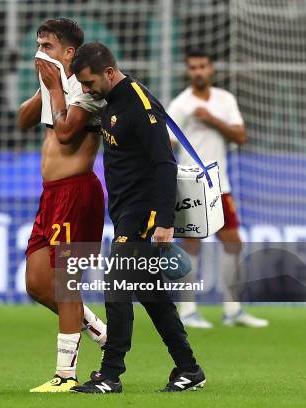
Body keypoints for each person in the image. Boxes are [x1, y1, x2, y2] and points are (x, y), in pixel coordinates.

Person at [69, 42, 205, 393]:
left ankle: (110, 374)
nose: (86, 90)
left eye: (89, 83)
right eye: (82, 85)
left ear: (109, 73)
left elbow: (164, 163)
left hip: (142, 214)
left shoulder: (141, 106)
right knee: (153, 296)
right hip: (126, 211)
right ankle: (189, 369)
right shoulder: (111, 100)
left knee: (117, 287)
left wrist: (163, 221)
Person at [18, 18, 107, 393]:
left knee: (66, 284)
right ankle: (99, 328)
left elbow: (68, 136)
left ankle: (65, 375)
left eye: (48, 46)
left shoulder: (88, 89)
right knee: (37, 284)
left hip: (76, 192)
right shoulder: (52, 86)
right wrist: (43, 90)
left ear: (69, 52)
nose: (40, 53)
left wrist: (55, 87)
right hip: (50, 196)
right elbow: (23, 121)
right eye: (38, 45)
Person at [167, 50, 268, 329]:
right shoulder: (180, 105)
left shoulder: (225, 100)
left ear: (211, 69)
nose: (198, 71)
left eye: (202, 66)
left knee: (233, 242)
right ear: (188, 72)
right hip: (190, 184)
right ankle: (187, 310)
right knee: (191, 244)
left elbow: (241, 136)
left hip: (219, 184)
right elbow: (167, 143)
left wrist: (212, 119)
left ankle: (233, 309)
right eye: (193, 67)